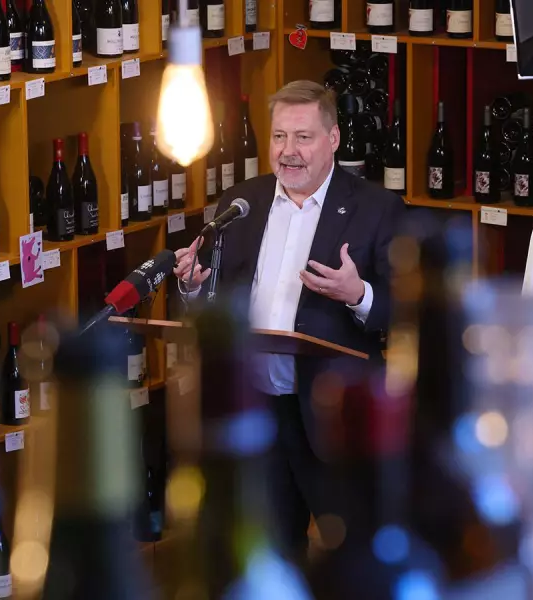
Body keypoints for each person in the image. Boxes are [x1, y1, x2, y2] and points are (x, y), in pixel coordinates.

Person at [173, 80, 405, 563]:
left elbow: (404, 309)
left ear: (333, 138)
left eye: (303, 137)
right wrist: (193, 286)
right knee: (269, 556)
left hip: (330, 416)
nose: (288, 151)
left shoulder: (376, 209)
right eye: (279, 137)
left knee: (353, 559)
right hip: (256, 411)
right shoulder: (240, 203)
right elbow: (214, 304)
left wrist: (358, 294)